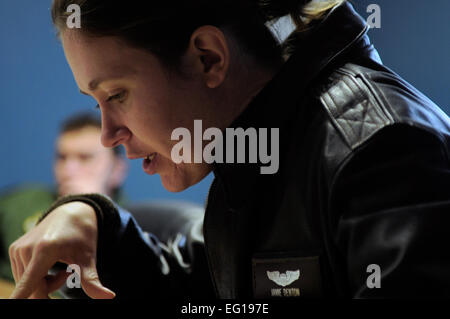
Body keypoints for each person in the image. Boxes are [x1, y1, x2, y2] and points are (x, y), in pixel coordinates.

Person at [8, 0, 450, 299]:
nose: (108, 134)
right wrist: (94, 228)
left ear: (209, 59)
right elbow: (196, 286)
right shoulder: (252, 152)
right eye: (95, 103)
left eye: (116, 94)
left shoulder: (381, 148)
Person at [0, 112, 127, 283]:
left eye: (85, 158)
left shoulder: (136, 226)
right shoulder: (19, 204)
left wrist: (93, 208)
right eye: (62, 157)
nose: (68, 169)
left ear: (117, 170)